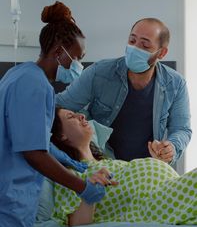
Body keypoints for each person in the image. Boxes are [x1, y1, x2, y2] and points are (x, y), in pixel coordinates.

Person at [0, 1, 111, 227]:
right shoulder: (33, 85)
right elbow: (32, 151)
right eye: (76, 57)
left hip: (12, 203)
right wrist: (82, 187)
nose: (78, 65)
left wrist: (76, 162)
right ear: (60, 52)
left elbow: (34, 140)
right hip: (8, 209)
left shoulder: (22, 76)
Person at [55, 17, 192, 165]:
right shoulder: (99, 73)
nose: (135, 49)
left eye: (145, 45)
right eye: (132, 41)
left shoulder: (176, 84)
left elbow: (182, 129)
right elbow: (60, 105)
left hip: (147, 169)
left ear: (161, 53)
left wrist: (171, 147)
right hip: (104, 165)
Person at [51, 108, 197, 227]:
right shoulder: (70, 175)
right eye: (71, 117)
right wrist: (89, 195)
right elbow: (75, 224)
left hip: (169, 189)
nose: (81, 116)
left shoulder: (109, 162)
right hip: (150, 205)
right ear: (61, 135)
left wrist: (158, 163)